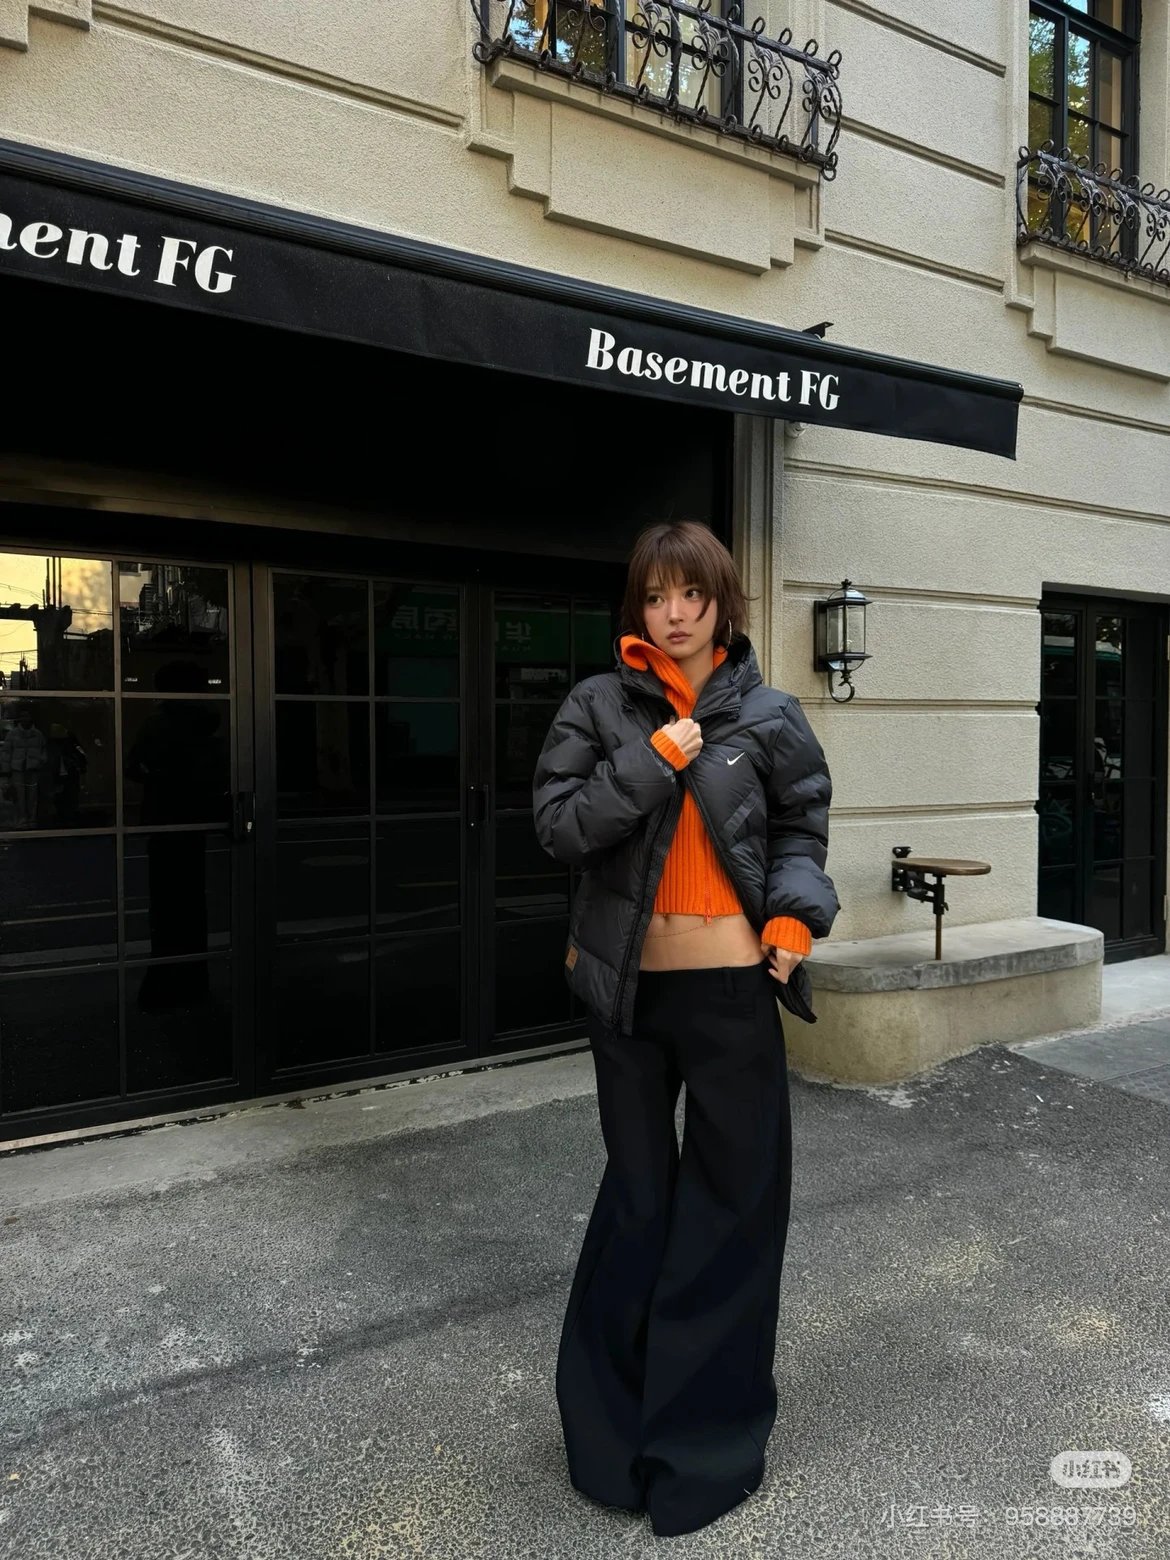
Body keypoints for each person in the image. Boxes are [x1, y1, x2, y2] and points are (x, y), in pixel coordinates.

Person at [532, 520, 839, 1537]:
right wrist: (652, 762)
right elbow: (559, 826)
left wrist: (795, 917)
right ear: (639, 606)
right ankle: (610, 1439)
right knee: (639, 1201)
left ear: (720, 602)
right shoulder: (599, 705)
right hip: (627, 995)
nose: (674, 614)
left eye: (692, 595)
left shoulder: (769, 713)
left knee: (734, 1208)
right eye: (657, 596)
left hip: (732, 993)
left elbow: (801, 826)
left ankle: (704, 1447)